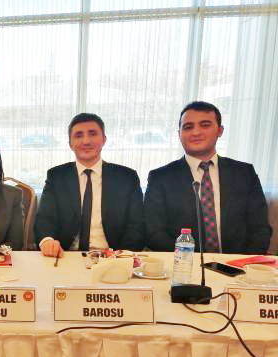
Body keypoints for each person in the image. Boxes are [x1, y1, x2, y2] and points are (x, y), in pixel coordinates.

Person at [144, 101, 271, 254]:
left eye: (205, 125)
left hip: (237, 264)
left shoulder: (244, 173)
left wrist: (242, 263)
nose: (196, 132)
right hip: (183, 263)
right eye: (188, 127)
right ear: (179, 134)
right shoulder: (160, 177)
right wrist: (189, 259)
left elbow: (260, 229)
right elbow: (154, 233)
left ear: (220, 130)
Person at [35, 113, 145, 257]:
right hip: (65, 256)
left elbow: (136, 227)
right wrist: (47, 241)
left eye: (92, 134)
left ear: (104, 139)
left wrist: (120, 256)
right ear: (70, 144)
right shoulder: (56, 176)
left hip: (113, 257)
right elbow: (45, 219)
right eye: (78, 135)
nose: (86, 141)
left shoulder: (127, 178)